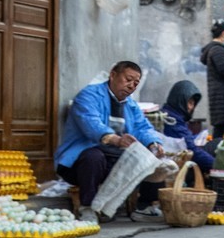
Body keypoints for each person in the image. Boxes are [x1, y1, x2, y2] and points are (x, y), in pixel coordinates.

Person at [54, 61, 165, 224]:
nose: (131, 86)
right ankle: (88, 208)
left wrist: (153, 143)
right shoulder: (88, 96)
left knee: (150, 159)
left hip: (113, 158)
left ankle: (144, 206)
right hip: (78, 163)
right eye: (128, 79)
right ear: (113, 75)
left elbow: (143, 127)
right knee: (94, 156)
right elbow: (91, 124)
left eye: (136, 83)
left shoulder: (131, 104)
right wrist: (117, 140)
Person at [160, 79, 214, 174]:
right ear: (180, 100)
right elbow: (191, 150)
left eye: (193, 104)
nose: (191, 108)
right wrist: (216, 165)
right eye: (189, 103)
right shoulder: (172, 120)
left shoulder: (174, 116)